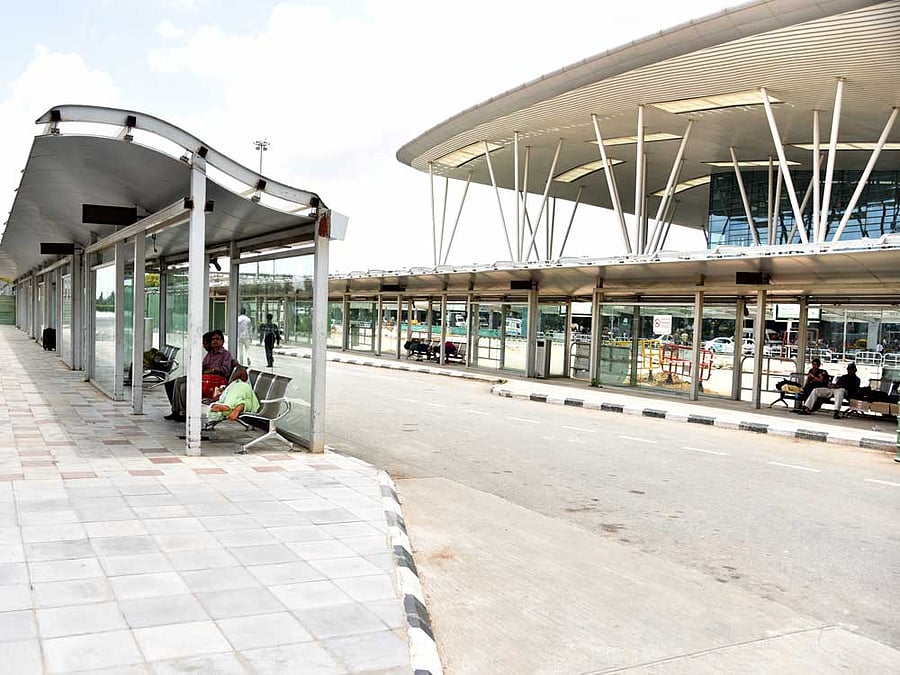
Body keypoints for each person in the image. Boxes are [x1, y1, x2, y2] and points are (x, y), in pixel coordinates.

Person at [164, 330, 234, 421]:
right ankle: (176, 411)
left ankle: (184, 412)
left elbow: (226, 370)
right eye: (213, 339)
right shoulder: (210, 354)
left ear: (222, 341)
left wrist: (213, 370)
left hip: (215, 382)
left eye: (217, 339)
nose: (215, 341)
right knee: (179, 381)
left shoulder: (226, 355)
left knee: (184, 386)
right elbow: (203, 366)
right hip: (204, 378)